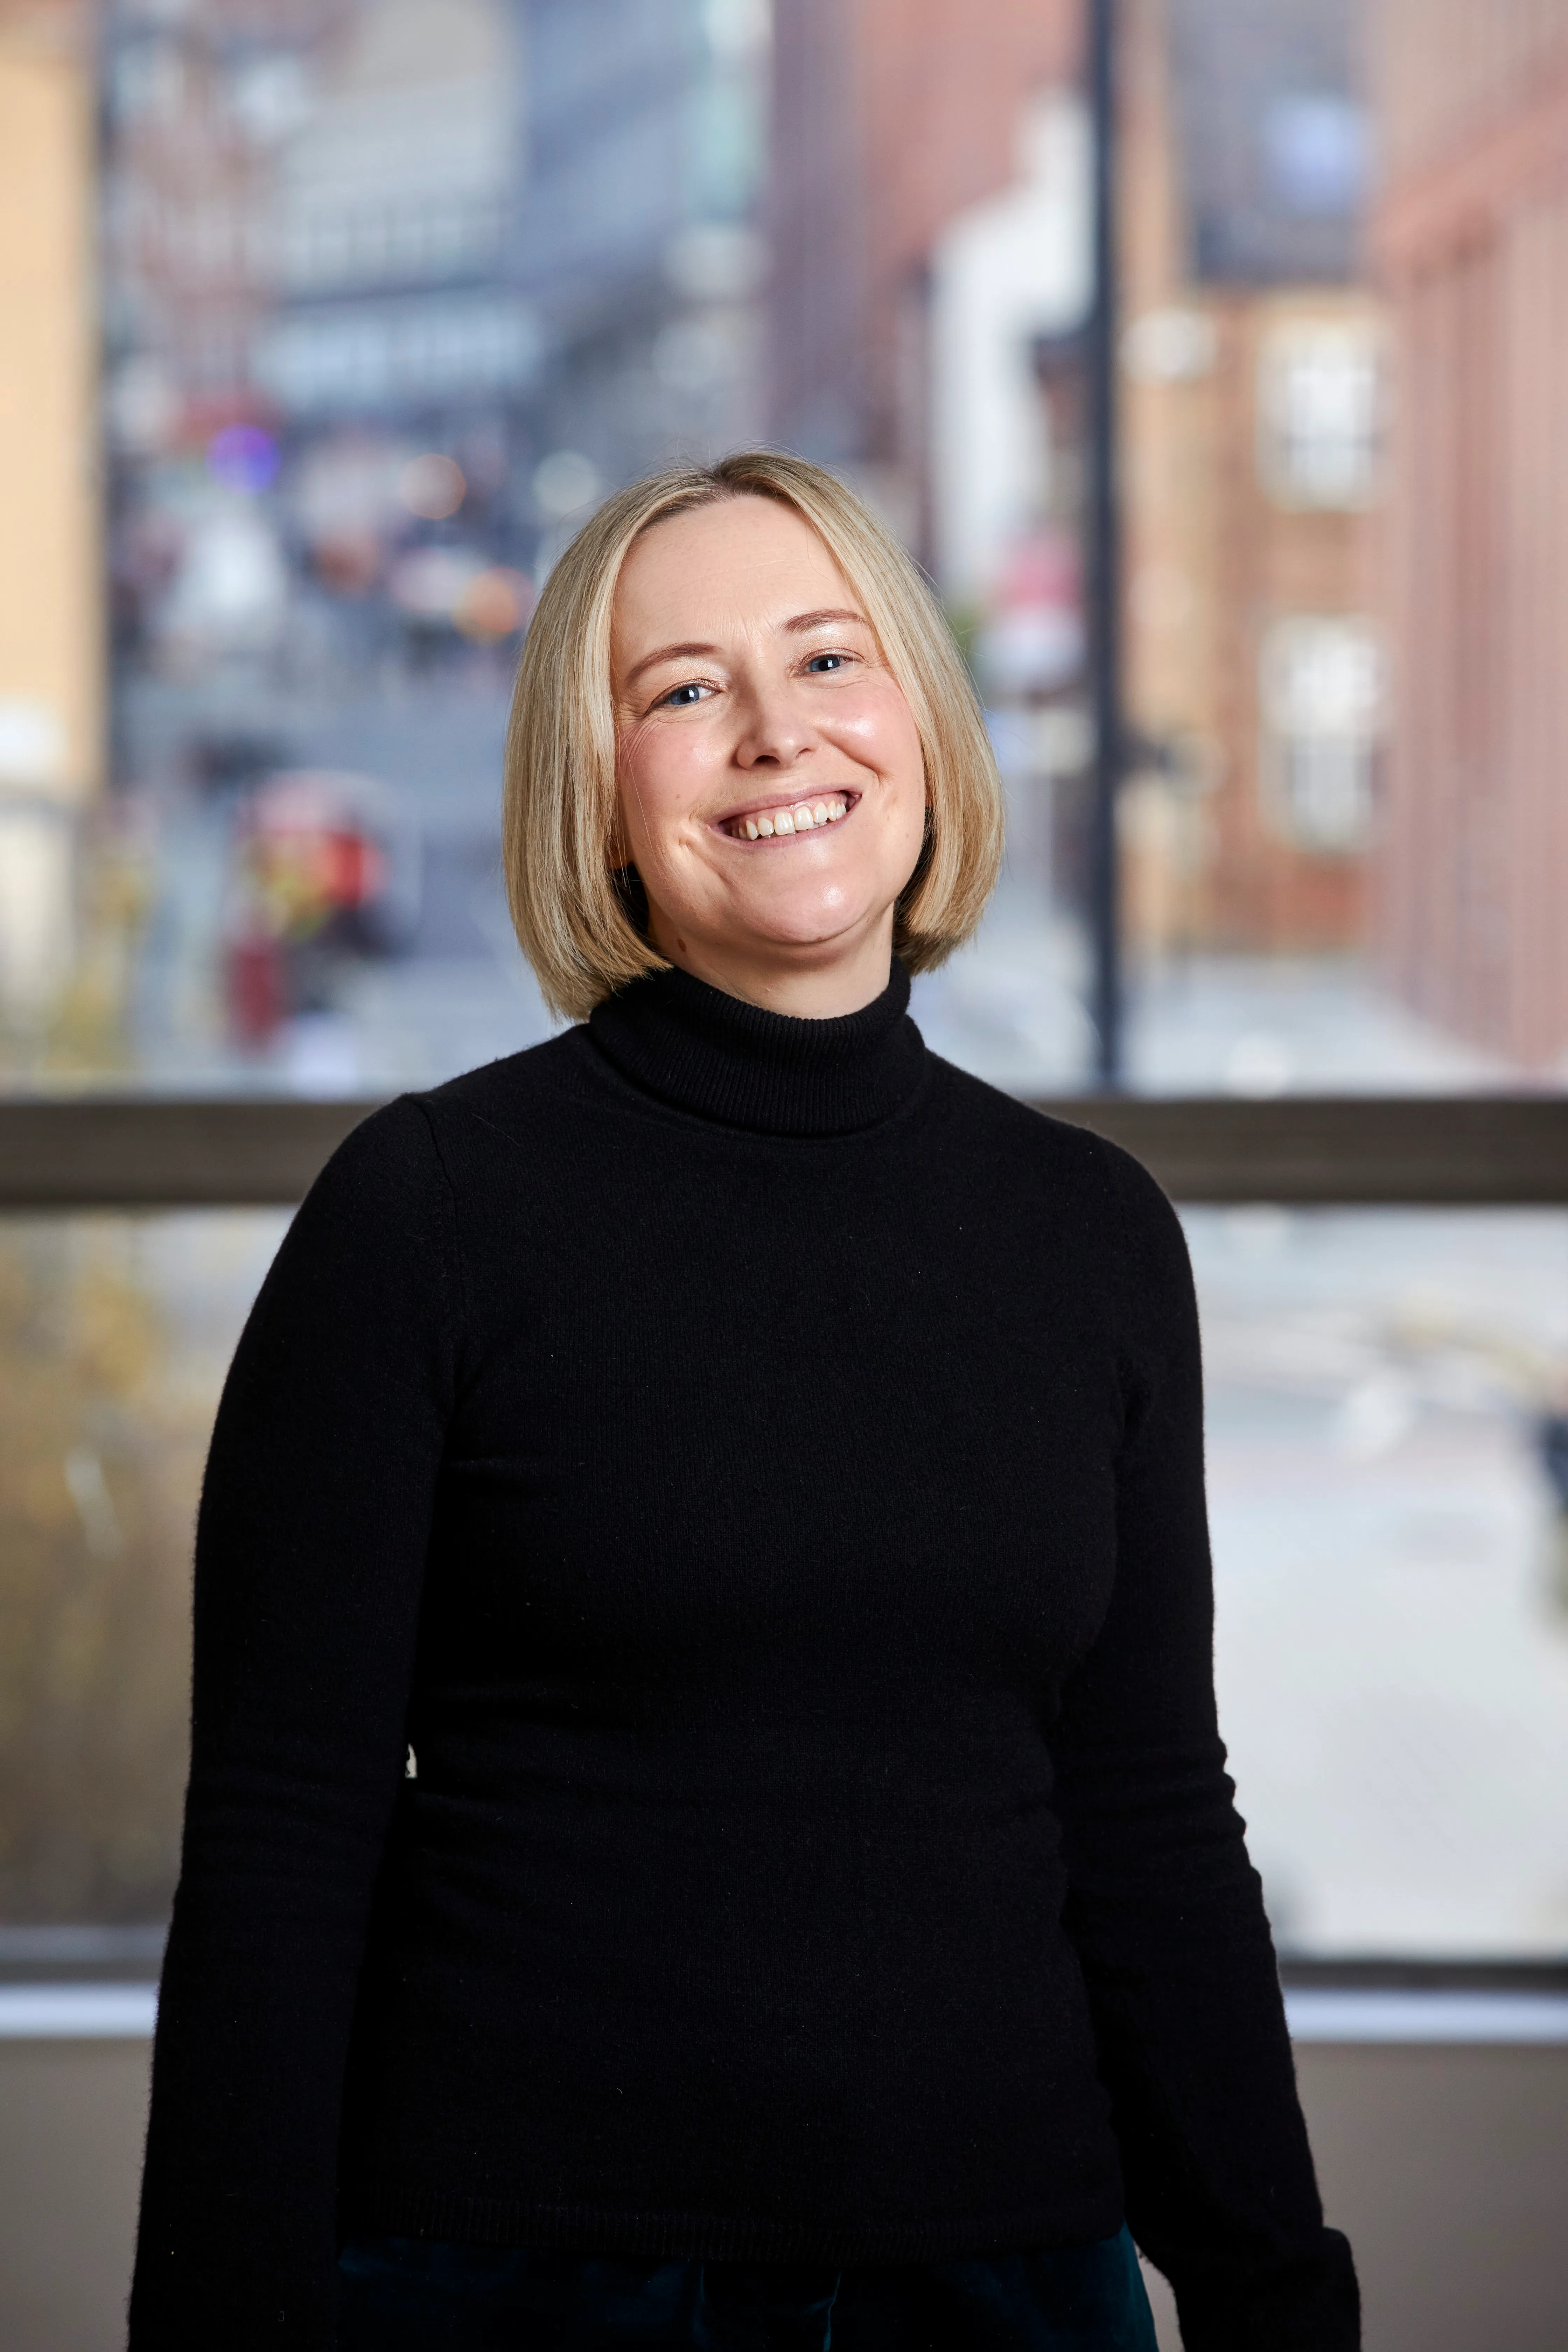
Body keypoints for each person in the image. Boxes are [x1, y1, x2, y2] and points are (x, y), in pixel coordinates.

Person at [131, 452, 1359, 2351]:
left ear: (923, 719)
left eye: (829, 658)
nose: (778, 732)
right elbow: (282, 1853)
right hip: (513, 2288)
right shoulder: (425, 1218)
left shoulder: (1092, 1236)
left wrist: (1283, 2298)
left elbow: (1151, 1830)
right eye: (686, 687)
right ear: (600, 792)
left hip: (1015, 2282)